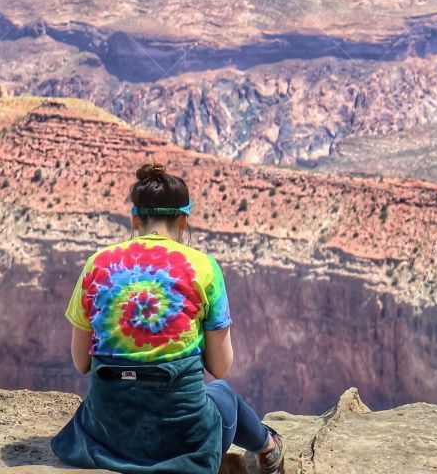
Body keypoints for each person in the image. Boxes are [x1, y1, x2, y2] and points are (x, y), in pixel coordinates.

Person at [51, 162, 285, 474]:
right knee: (223, 393)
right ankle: (268, 448)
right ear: (183, 219)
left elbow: (82, 362)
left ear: (135, 218)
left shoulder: (97, 265)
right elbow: (220, 367)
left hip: (106, 438)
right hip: (184, 442)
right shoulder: (203, 267)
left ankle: (267, 446)